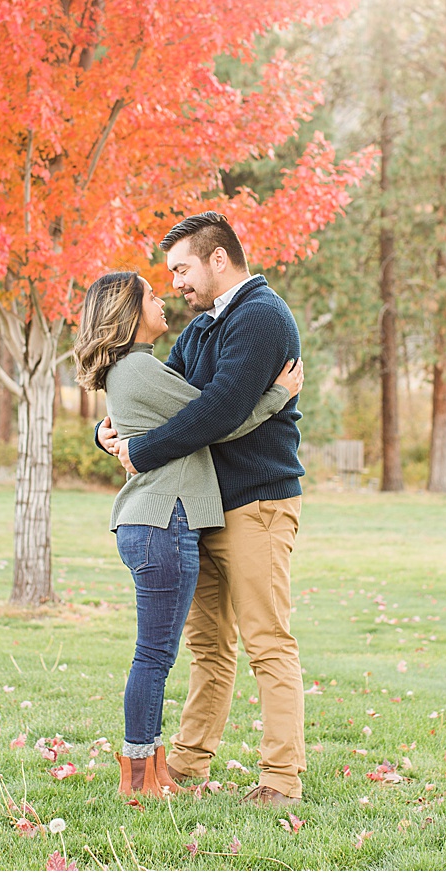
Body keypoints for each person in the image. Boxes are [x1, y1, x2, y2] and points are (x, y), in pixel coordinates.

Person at [96, 211, 309, 806]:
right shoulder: (200, 328)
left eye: (183, 269)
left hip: (258, 500)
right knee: (209, 646)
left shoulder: (260, 317)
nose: (176, 284)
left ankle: (280, 781)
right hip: (202, 508)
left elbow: (215, 414)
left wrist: (138, 452)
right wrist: (106, 433)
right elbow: (161, 400)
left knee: (267, 640)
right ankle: (188, 768)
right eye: (171, 275)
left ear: (220, 259)